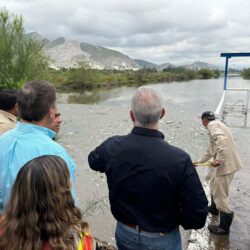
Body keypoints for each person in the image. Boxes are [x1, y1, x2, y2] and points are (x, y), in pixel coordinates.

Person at [88, 87, 208, 250]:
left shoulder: (112, 147)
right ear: (162, 113)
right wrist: (177, 220)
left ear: (131, 115)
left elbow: (93, 161)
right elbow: (198, 213)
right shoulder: (179, 159)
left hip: (125, 232)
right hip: (163, 237)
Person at [0, 80, 77, 214]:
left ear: (18, 107)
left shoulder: (3, 140)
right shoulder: (56, 153)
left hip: (7, 227)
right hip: (40, 231)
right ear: (51, 111)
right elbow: (68, 205)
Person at [0, 155, 95, 250]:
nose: (70, 181)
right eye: (68, 178)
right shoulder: (78, 240)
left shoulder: (5, 227)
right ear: (61, 193)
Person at [194, 111, 243, 235]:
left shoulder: (212, 126)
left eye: (202, 121)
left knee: (221, 196)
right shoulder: (217, 124)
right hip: (224, 165)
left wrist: (218, 159)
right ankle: (214, 209)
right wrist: (199, 162)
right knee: (213, 185)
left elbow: (222, 141)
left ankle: (223, 228)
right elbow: (211, 149)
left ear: (204, 120)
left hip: (226, 167)